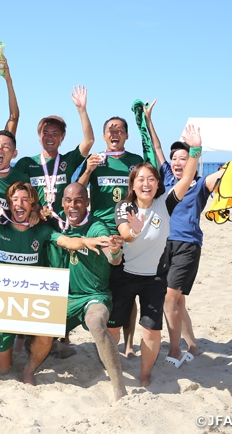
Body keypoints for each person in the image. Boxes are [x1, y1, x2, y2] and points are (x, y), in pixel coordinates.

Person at [0, 181, 111, 384]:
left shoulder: (41, 230)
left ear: (32, 205)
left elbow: (66, 241)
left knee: (48, 330)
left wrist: (85, 241)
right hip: (2, 304)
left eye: (25, 200)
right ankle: (7, 346)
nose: (19, 204)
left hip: (31, 303)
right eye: (15, 200)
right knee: (2, 369)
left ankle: (31, 358)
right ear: (9, 204)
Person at [109, 125, 202, 387]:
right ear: (133, 184)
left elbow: (187, 177)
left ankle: (146, 374)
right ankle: (111, 365)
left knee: (151, 330)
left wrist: (195, 150)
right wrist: (133, 231)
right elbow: (125, 233)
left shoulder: (165, 204)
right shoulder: (124, 206)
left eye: (151, 179)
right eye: (140, 179)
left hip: (154, 279)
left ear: (157, 184)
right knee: (112, 328)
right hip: (124, 276)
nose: (146, 183)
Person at [144, 101, 224, 365]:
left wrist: (200, 150)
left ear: (192, 162)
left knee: (170, 299)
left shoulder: (200, 183)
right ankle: (194, 347)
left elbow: (223, 176)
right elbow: (156, 148)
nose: (178, 163)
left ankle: (175, 350)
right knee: (179, 304)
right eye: (175, 158)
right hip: (163, 245)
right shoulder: (166, 177)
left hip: (187, 245)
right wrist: (148, 119)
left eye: (184, 158)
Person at [50, 183, 127, 401]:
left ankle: (119, 388)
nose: (73, 205)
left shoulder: (97, 228)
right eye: (68, 200)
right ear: (62, 202)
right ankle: (61, 346)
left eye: (78, 201)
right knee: (34, 340)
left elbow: (113, 258)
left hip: (93, 296)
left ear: (87, 203)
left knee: (95, 321)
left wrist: (114, 252)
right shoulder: (59, 225)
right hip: (64, 297)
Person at [77, 115, 144, 357]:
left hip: (128, 232)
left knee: (129, 290)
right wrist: (88, 169)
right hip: (101, 232)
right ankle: (105, 340)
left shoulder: (135, 161)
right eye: (110, 129)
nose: (114, 133)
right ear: (104, 135)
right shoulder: (96, 160)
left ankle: (129, 343)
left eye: (119, 129)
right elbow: (77, 189)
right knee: (105, 289)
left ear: (126, 135)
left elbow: (145, 192)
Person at [14, 86, 94, 210]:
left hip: (63, 221)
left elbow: (89, 141)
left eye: (55, 134)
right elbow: (14, 189)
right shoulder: (27, 163)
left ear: (63, 136)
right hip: (36, 221)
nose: (49, 138)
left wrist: (81, 109)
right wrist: (35, 209)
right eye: (45, 133)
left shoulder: (68, 160)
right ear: (39, 136)